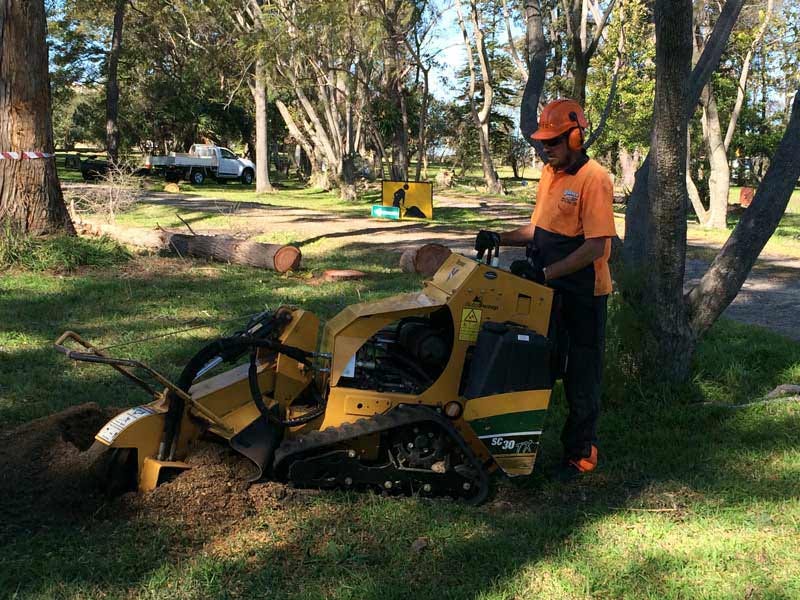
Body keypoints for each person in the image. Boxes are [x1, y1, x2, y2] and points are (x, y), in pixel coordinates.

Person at [474, 98, 616, 481]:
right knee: (536, 363)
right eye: (541, 143)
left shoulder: (594, 178)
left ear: (575, 137)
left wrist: (547, 273)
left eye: (552, 142)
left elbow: (597, 247)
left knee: (581, 375)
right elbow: (539, 230)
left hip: (584, 294)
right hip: (548, 289)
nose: (545, 149)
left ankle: (581, 455)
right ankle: (515, 441)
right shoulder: (550, 174)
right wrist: (498, 236)